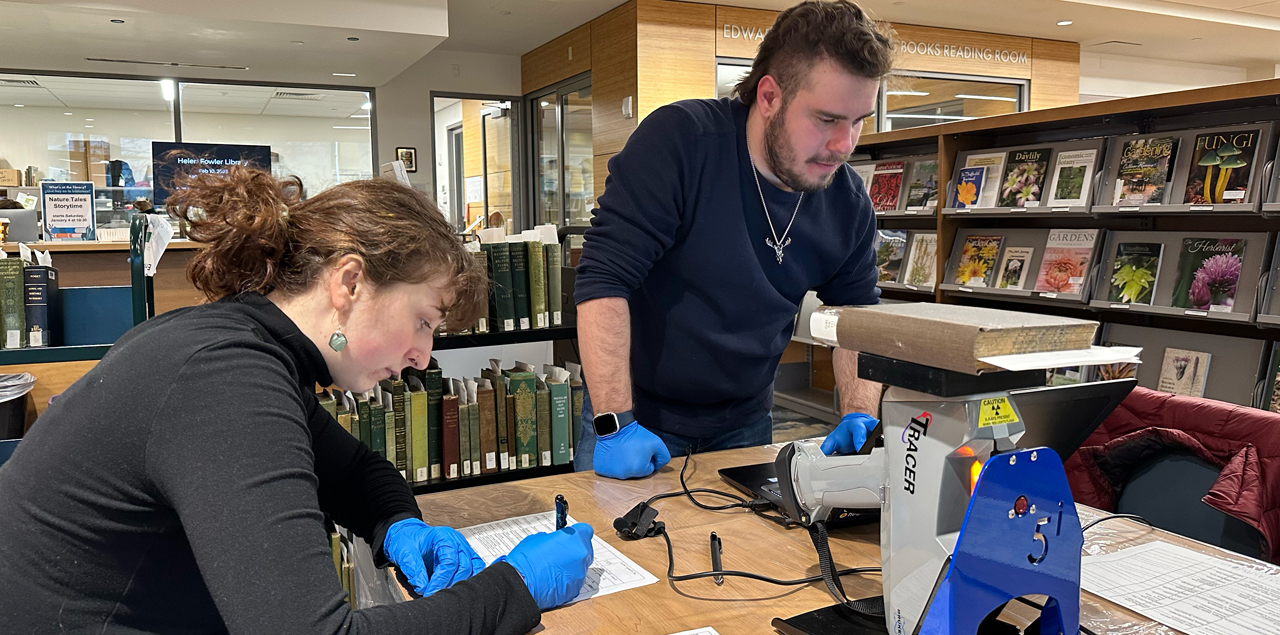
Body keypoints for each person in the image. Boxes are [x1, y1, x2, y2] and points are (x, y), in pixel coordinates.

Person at [0, 166, 594, 634]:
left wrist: (398, 527)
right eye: (422, 320)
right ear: (350, 283)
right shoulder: (226, 382)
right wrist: (516, 588)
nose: (423, 355)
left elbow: (356, 470)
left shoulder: (237, 344)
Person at [573, 0, 892, 479]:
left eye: (859, 120)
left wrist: (861, 412)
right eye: (827, 120)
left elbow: (857, 317)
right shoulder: (680, 144)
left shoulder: (846, 201)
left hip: (745, 423)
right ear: (769, 97)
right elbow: (602, 279)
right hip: (637, 417)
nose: (845, 144)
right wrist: (615, 422)